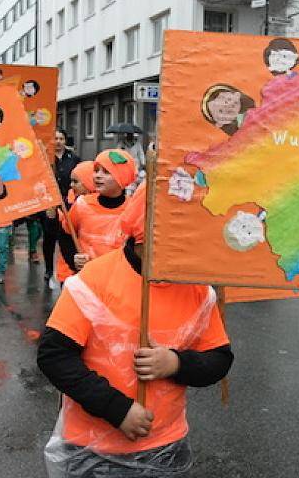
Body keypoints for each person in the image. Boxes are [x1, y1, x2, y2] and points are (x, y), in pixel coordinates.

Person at [37, 184, 233, 477]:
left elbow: (219, 359)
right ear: (143, 232)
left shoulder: (197, 289)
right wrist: (117, 409)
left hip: (166, 443)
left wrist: (176, 363)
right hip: (92, 447)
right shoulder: (94, 280)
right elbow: (54, 356)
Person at [59, 149, 137, 275]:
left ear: (122, 178)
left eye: (106, 172)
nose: (98, 176)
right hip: (86, 279)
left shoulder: (132, 209)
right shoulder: (82, 204)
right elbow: (65, 235)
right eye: (96, 170)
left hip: (117, 279)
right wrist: (73, 258)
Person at [42, 130, 80, 283]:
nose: (58, 141)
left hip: (68, 203)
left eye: (61, 138)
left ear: (65, 140)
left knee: (66, 235)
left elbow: (79, 177)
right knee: (49, 237)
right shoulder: (45, 157)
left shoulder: (74, 159)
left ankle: (68, 268)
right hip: (50, 203)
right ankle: (48, 268)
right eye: (55, 138)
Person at [54, 161, 95, 286]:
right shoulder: (68, 202)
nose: (71, 185)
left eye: (75, 182)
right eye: (71, 181)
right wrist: (52, 217)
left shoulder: (102, 205)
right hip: (69, 270)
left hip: (94, 272)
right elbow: (59, 234)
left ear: (88, 181)